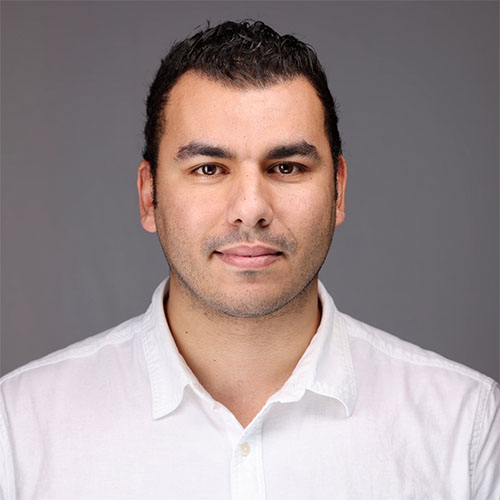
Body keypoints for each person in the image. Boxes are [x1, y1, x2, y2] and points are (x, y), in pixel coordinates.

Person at [0, 20, 498, 499]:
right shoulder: (20, 428)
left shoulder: (466, 425)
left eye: (286, 166)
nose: (251, 209)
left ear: (339, 190)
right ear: (149, 197)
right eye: (209, 168)